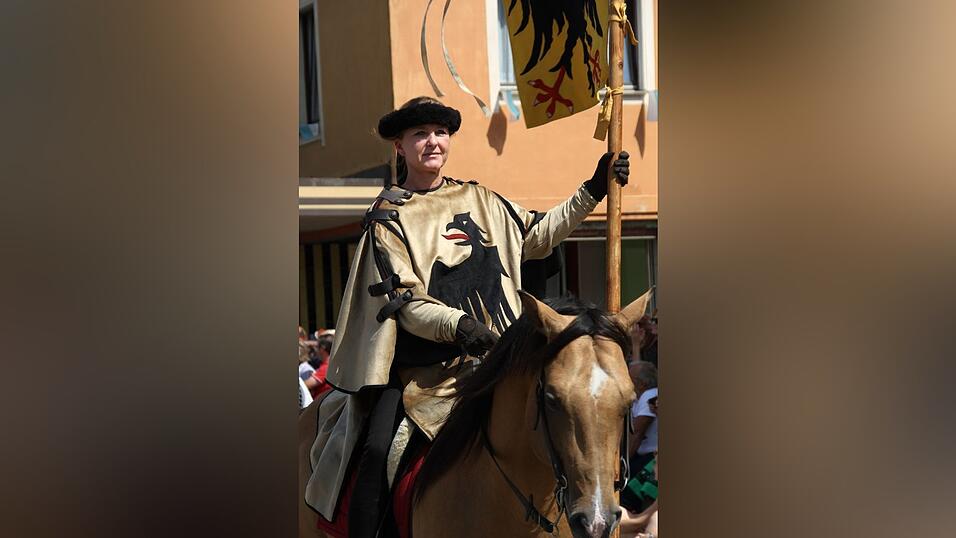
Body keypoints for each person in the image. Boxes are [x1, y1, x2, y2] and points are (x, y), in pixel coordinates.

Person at [303, 96, 629, 536]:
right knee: (378, 452)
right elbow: (405, 301)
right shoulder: (388, 218)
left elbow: (538, 236)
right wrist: (461, 326)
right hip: (425, 374)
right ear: (399, 146)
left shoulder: (482, 199)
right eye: (419, 134)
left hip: (500, 366)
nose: (432, 142)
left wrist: (593, 188)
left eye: (440, 133)